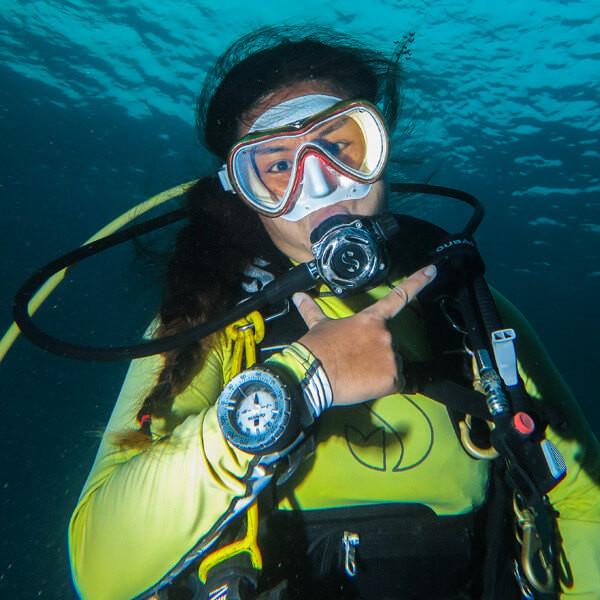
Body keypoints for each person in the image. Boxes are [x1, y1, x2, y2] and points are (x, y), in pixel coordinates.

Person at [68, 26, 600, 600]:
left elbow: (582, 506)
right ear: (244, 193)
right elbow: (100, 573)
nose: (321, 186)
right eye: (278, 167)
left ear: (380, 148)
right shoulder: (210, 321)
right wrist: (294, 385)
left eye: (341, 146)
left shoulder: (470, 310)